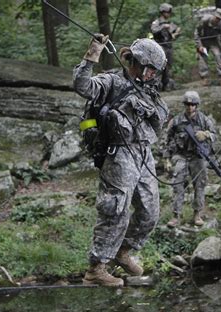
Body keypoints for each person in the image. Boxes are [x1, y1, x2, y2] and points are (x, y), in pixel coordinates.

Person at [73, 36, 168, 287]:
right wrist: (92, 53)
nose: (152, 75)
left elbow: (161, 119)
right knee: (115, 209)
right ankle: (97, 268)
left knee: (150, 211)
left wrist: (151, 111)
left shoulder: (147, 90)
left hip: (143, 152)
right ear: (136, 62)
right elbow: (83, 86)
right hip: (119, 154)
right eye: (150, 69)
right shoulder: (112, 82)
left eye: (155, 72)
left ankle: (122, 252)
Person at [163, 91, 216, 227]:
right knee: (177, 185)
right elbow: (167, 140)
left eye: (192, 104)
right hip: (180, 156)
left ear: (196, 105)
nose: (190, 107)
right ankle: (176, 216)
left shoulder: (204, 120)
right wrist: (167, 159)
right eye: (187, 104)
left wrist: (206, 134)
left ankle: (197, 214)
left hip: (197, 157)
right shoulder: (176, 121)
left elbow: (214, 135)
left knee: (200, 185)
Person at [194, 8, 221, 87]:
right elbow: (196, 33)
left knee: (218, 56)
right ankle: (205, 77)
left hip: (214, 41)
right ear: (213, 15)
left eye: (219, 19)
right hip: (203, 41)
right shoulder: (204, 20)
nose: (217, 20)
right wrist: (199, 46)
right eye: (216, 17)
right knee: (202, 57)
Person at [151, 3, 181, 91]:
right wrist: (163, 26)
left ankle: (166, 84)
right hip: (160, 46)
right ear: (163, 12)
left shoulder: (170, 23)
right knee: (159, 66)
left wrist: (177, 33)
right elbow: (154, 31)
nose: (169, 14)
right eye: (167, 12)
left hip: (169, 47)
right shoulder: (157, 22)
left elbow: (175, 33)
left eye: (169, 13)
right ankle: (156, 85)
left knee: (168, 66)